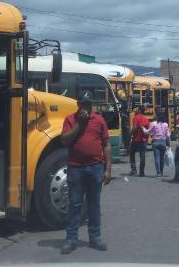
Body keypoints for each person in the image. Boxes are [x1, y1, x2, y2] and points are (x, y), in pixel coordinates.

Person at [60, 91, 112, 255]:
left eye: (89, 105)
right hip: (76, 168)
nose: (86, 108)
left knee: (94, 204)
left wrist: (108, 168)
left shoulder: (99, 120)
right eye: (83, 104)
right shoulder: (70, 119)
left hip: (96, 167)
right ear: (78, 105)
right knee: (74, 204)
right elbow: (64, 140)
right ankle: (71, 239)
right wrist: (79, 125)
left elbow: (107, 144)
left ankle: (95, 238)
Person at [129, 106, 150, 176]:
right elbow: (147, 130)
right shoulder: (146, 119)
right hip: (143, 140)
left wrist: (130, 134)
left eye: (137, 109)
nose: (135, 109)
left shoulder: (136, 117)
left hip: (136, 139)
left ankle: (134, 169)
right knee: (142, 156)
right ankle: (142, 172)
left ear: (140, 110)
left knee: (131, 153)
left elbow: (134, 127)